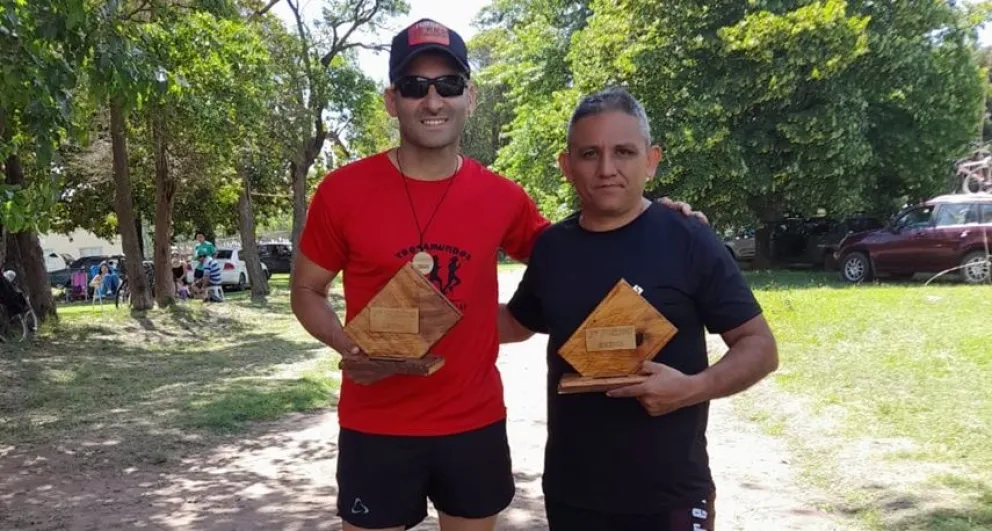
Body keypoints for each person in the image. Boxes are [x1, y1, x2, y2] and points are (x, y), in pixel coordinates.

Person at [291, 19, 707, 531]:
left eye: (447, 85)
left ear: (470, 95)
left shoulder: (502, 197)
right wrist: (348, 345)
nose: (433, 100)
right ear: (391, 100)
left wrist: (649, 216)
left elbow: (580, 248)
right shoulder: (342, 191)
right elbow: (307, 290)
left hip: (473, 422)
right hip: (375, 422)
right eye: (415, 86)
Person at [498, 87, 779, 531]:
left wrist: (693, 387)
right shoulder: (553, 248)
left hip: (670, 496)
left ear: (651, 160)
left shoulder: (689, 238)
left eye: (624, 152)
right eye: (590, 154)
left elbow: (760, 347)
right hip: (575, 494)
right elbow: (515, 322)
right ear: (566, 166)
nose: (607, 169)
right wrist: (427, 312)